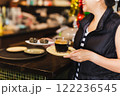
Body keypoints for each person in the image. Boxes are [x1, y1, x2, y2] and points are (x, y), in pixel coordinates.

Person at [64, 0, 120, 80]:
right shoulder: (86, 21)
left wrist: (91, 57)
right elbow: (82, 47)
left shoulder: (117, 24)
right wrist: (58, 46)